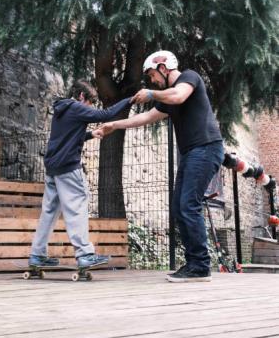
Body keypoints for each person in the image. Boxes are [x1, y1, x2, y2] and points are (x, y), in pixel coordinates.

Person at [100, 51, 224, 282]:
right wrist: (114, 125)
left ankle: (199, 267)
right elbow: (146, 117)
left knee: (188, 205)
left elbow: (178, 95)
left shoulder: (189, 78)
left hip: (206, 148)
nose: (152, 81)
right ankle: (194, 264)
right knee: (179, 207)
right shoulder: (167, 98)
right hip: (191, 153)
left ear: (163, 67)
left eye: (152, 75)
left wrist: (151, 93)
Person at [29, 80, 132, 268]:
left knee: (49, 212)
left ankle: (37, 254)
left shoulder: (62, 109)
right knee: (78, 205)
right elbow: (105, 114)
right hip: (68, 168)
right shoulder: (76, 107)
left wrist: (90, 135)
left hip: (53, 169)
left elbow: (67, 136)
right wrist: (130, 100)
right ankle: (84, 253)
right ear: (82, 96)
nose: (90, 108)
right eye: (90, 103)